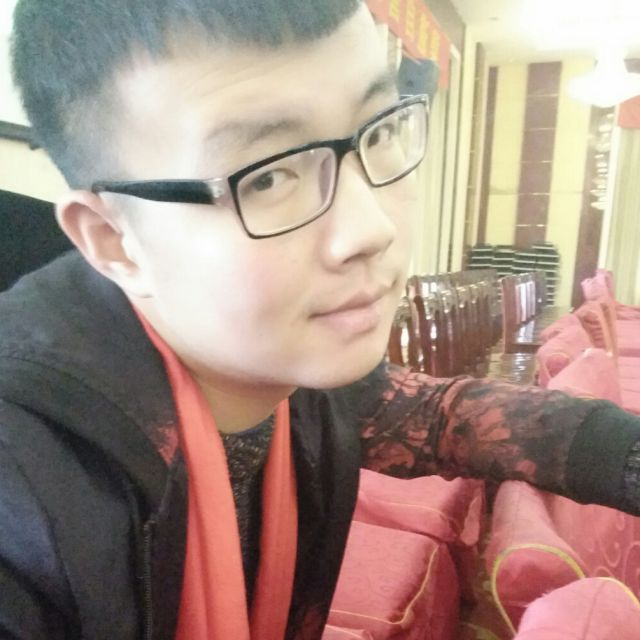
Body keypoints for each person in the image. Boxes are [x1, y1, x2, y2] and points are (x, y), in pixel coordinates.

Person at [2, 1, 640, 638]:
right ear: (114, 240)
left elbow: (438, 416)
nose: (371, 229)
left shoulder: (290, 369)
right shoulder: (26, 489)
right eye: (269, 177)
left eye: (378, 132)